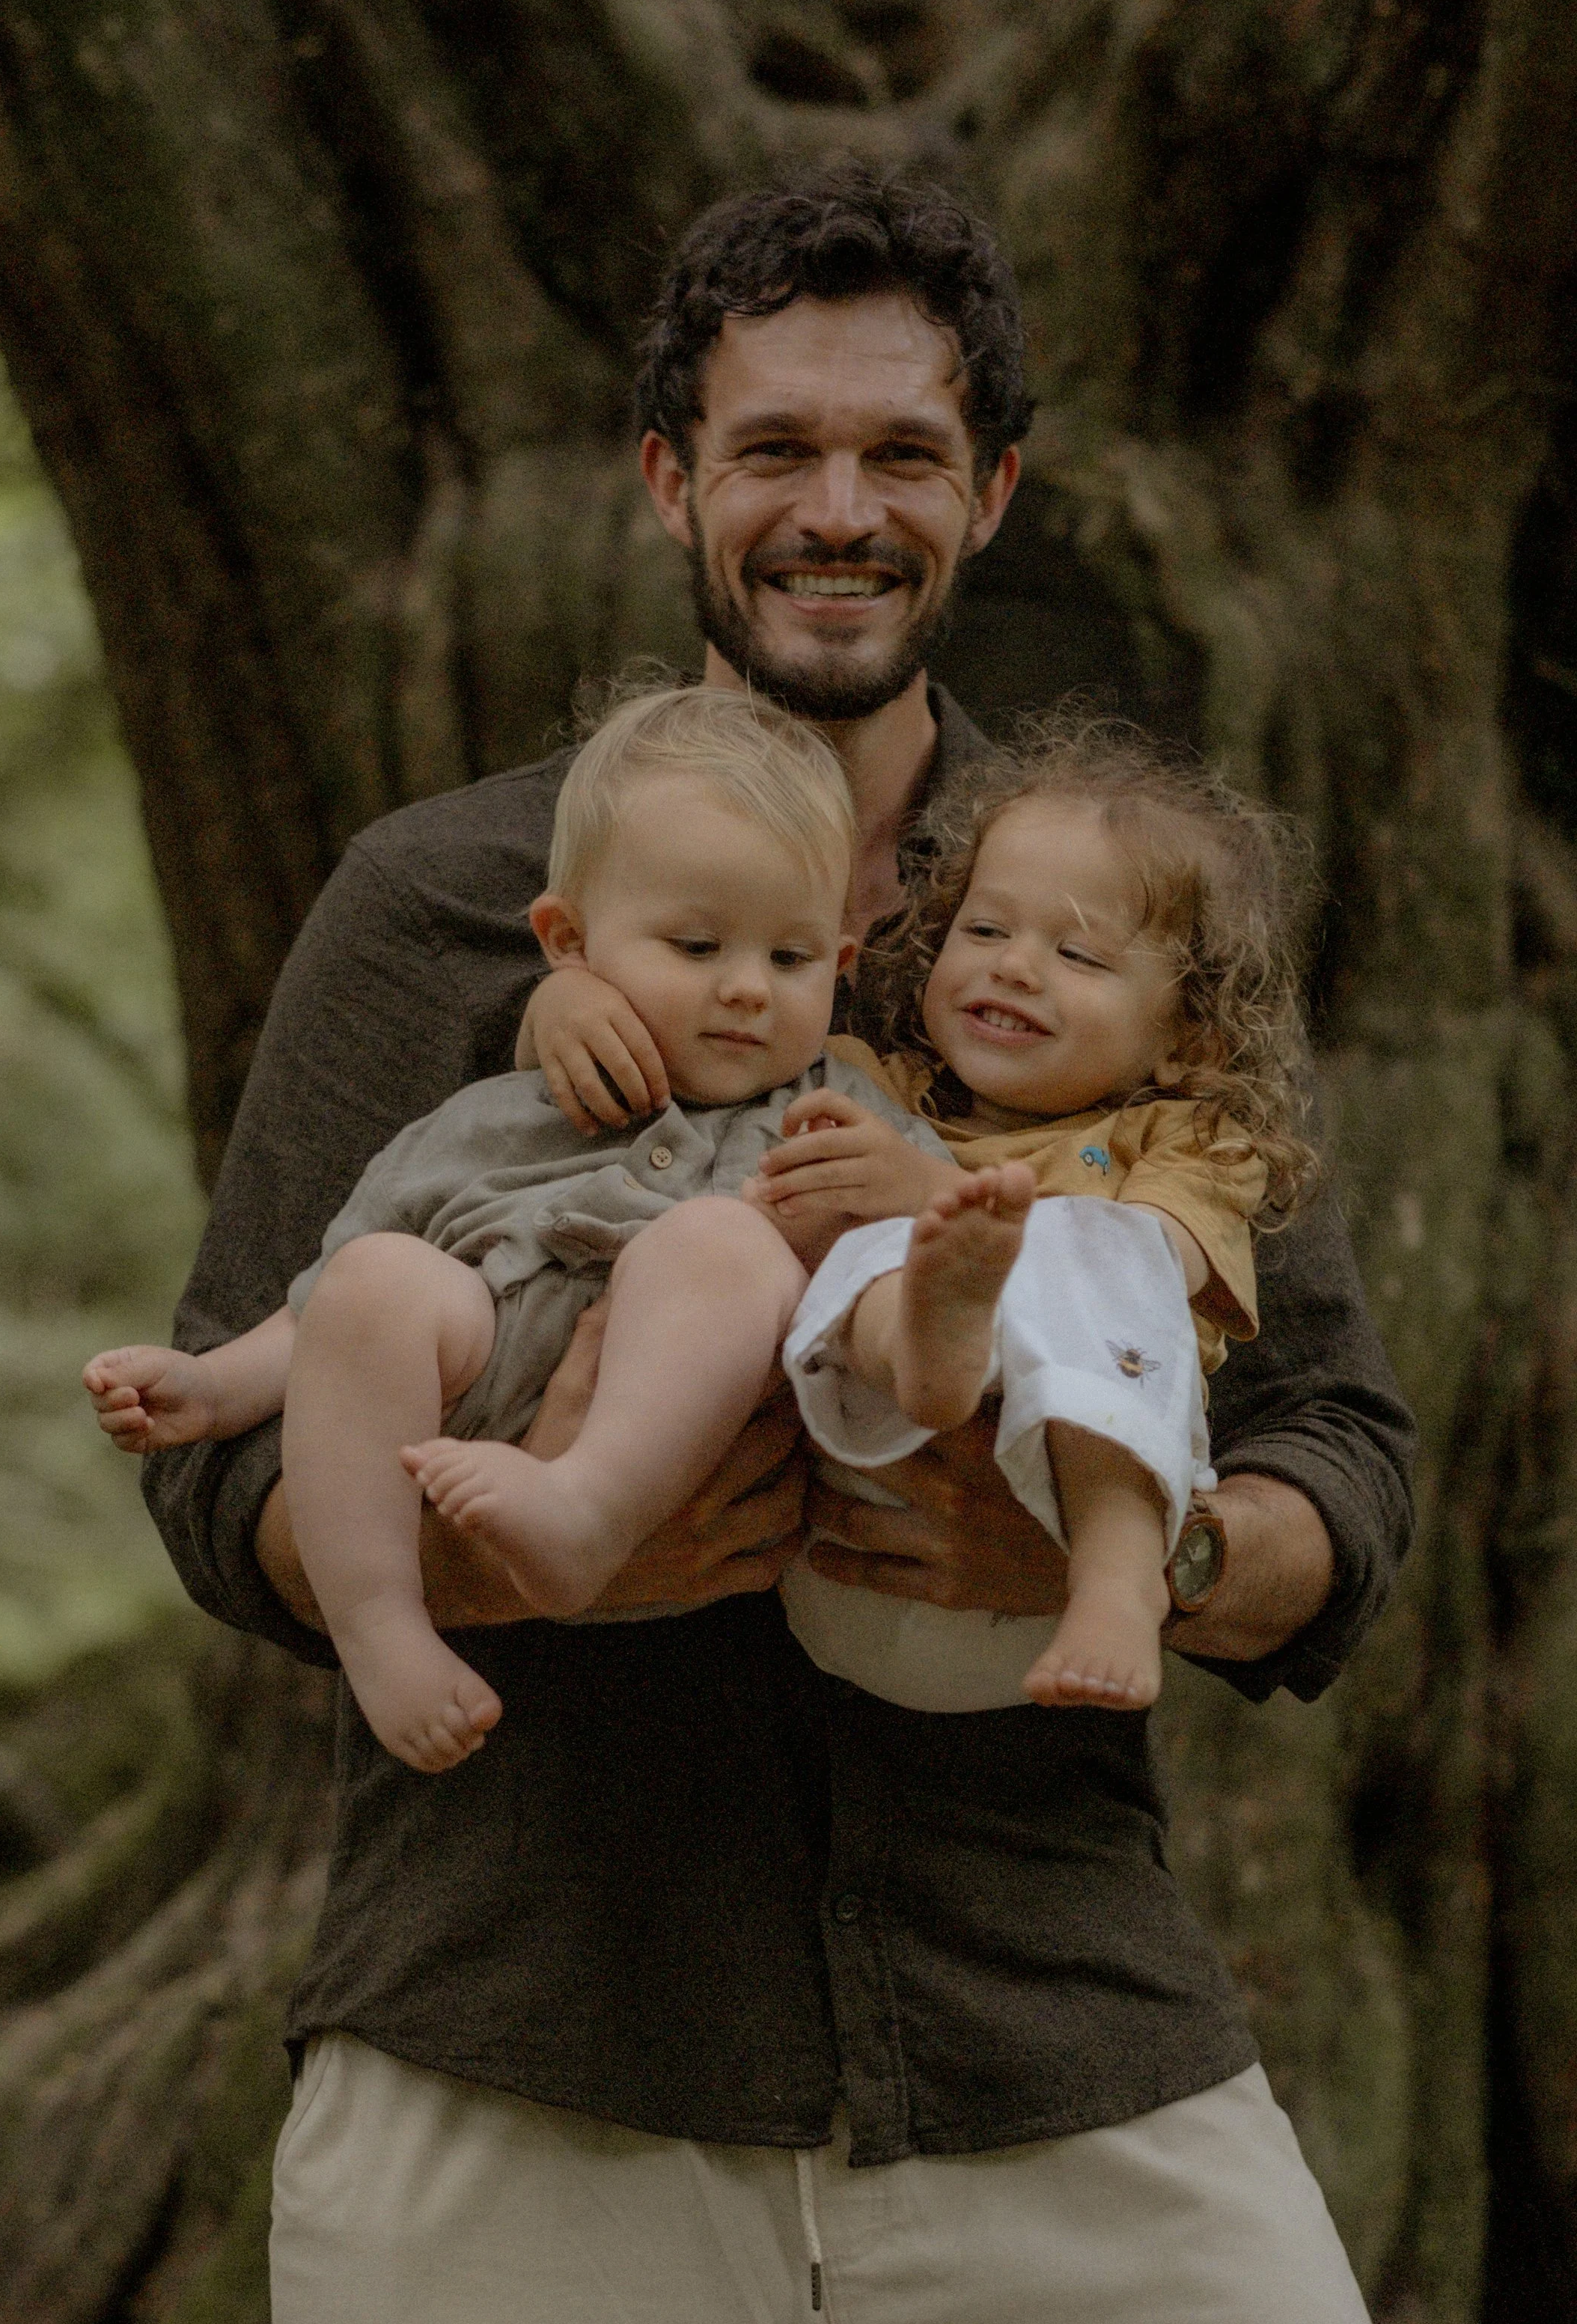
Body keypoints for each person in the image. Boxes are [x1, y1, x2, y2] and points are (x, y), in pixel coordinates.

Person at [143, 165, 1477, 2324]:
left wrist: (1131, 1554)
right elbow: (222, 1475)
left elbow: (1344, 1464)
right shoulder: (441, 911)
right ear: (672, 481)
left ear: (992, 495)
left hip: (1057, 2067)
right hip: (527, 2086)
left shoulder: (1110, 916)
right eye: (770, 449)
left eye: (899, 453)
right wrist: (519, 1545)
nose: (834, 508)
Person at [86, 683, 951, 1765]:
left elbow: (979, 1250)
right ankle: (384, 1624)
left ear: (842, 963)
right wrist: (213, 1389)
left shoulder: (836, 1114)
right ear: (566, 941)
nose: (744, 990)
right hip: (474, 1417)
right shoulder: (493, 1118)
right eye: (694, 946)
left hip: (677, 1456)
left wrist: (914, 1193)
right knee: (380, 1276)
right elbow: (323, 1308)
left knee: (724, 1241)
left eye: (789, 960)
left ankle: (583, 1507)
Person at [528, 715, 1317, 1716]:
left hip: (1036, 1577)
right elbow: (702, 1113)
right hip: (839, 1537)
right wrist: (560, 1007)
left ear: (1191, 1038)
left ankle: (1118, 1583)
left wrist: (931, 1197)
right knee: (819, 1245)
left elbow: (1152, 1262)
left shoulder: (1191, 1138)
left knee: (1108, 1300)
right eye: (984, 931)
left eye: (1077, 953)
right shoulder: (870, 1087)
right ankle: (927, 1337)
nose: (1015, 967)